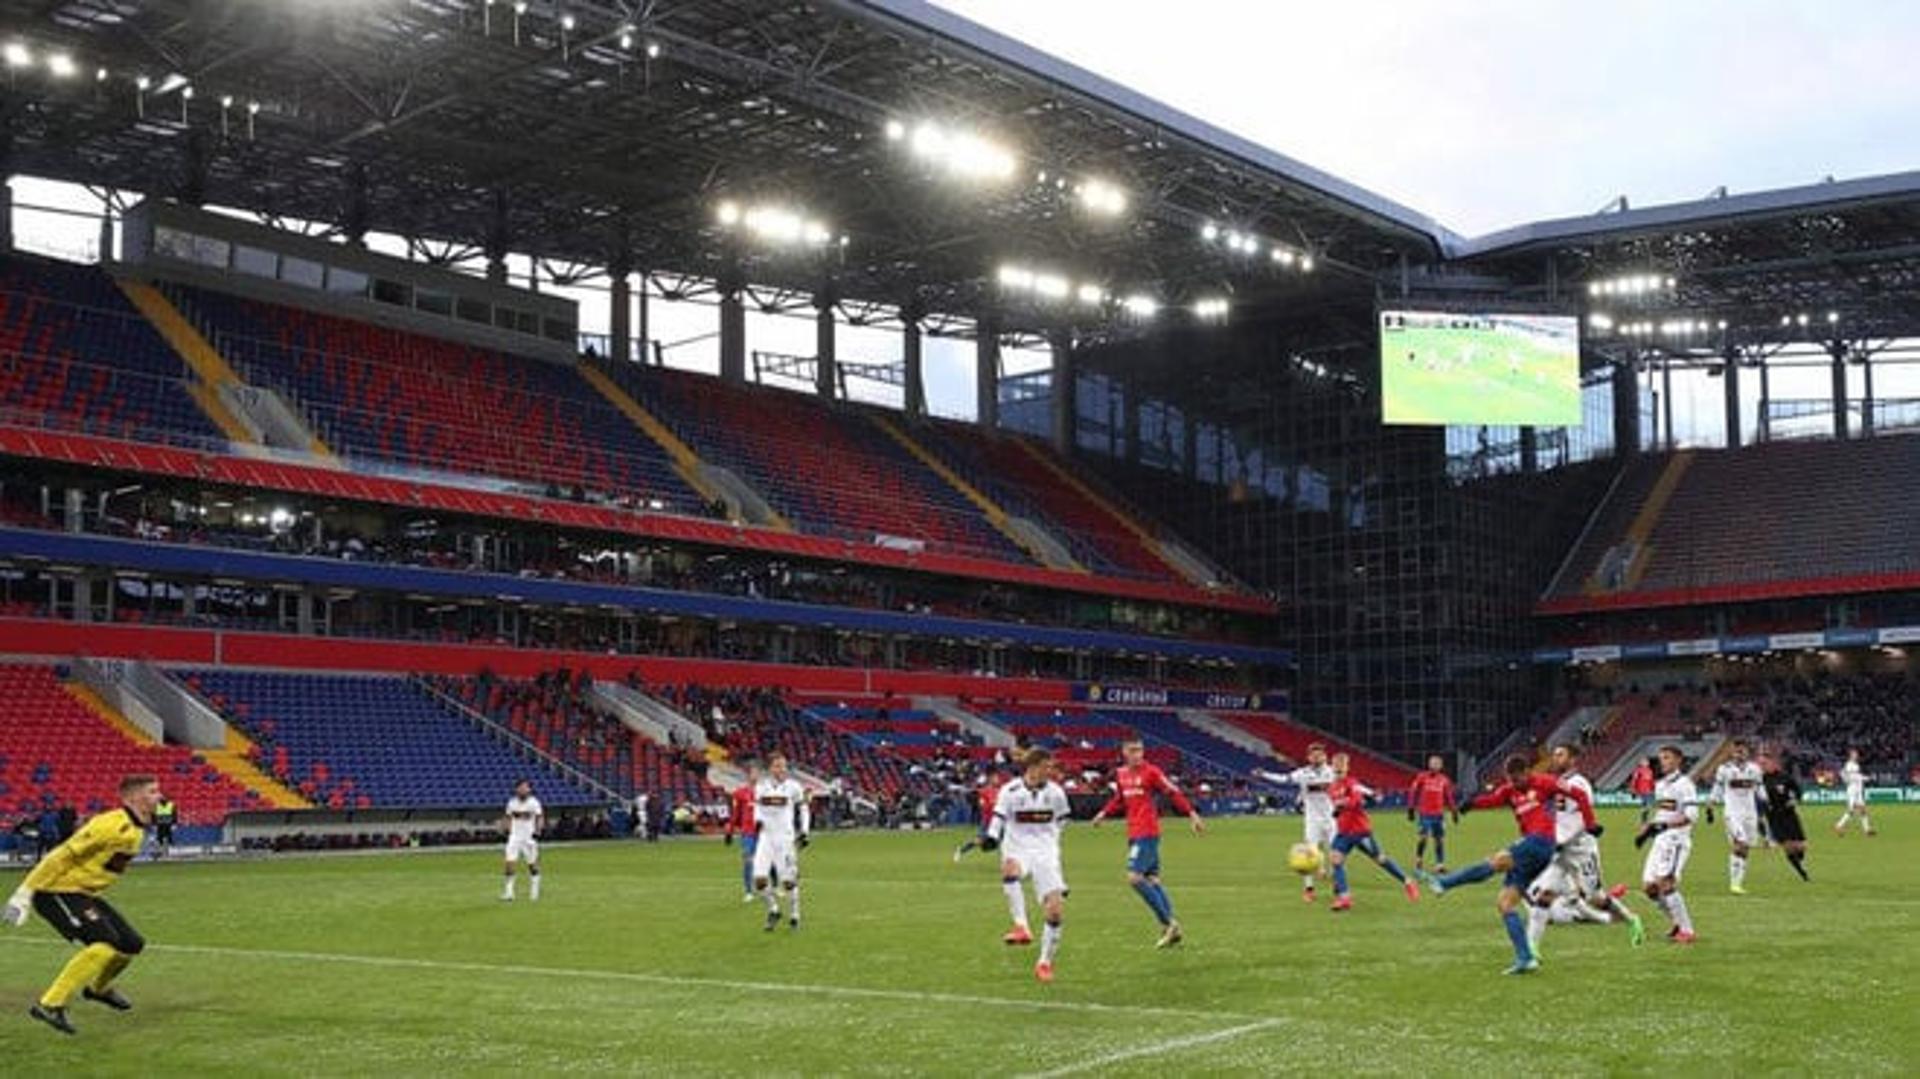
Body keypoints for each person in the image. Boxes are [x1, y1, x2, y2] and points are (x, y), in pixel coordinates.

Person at [3, 774, 163, 1036]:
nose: (160, 796)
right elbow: (61, 855)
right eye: (153, 791)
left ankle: (98, 989)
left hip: (84, 894)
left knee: (131, 945)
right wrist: (25, 893)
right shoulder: (110, 824)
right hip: (56, 891)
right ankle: (50, 1004)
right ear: (134, 797)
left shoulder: (137, 827)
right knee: (103, 945)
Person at [1420, 753, 1600, 974]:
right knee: (1505, 903)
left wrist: (1590, 823)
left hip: (1540, 841)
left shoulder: (1544, 782)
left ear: (1526, 772)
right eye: (1511, 780)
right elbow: (1493, 799)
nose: (1515, 784)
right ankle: (1525, 958)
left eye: (1518, 779)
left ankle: (1444, 883)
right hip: (1533, 853)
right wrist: (1471, 805)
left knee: (1496, 861)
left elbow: (1580, 794)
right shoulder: (1509, 790)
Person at [1524, 744, 1643, 953]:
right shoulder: (1556, 783)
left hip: (1581, 849)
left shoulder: (1580, 784)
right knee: (1544, 896)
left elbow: (1584, 820)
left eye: (1561, 754)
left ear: (1573, 759)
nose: (1555, 758)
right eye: (1555, 754)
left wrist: (1564, 839)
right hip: (1560, 850)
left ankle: (1632, 920)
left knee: (1595, 897)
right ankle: (1531, 950)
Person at [1089, 739, 1204, 948]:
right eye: (1132, 750)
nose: (1137, 754)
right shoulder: (1121, 773)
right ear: (1124, 752)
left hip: (1148, 831)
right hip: (1133, 832)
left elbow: (1173, 792)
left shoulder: (1152, 772)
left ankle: (1168, 924)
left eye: (1140, 750)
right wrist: (1103, 813)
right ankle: (1171, 929)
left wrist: (1192, 813)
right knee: (1152, 880)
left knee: (1134, 877)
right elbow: (1120, 798)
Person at [981, 748, 1071, 983]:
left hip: (1046, 853)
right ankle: (1021, 926)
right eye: (1047, 766)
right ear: (1033, 767)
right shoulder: (1009, 790)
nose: (1051, 771)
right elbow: (999, 817)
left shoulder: (1057, 793)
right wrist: (992, 836)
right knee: (1010, 869)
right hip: (1017, 848)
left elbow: (1062, 820)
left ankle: (1044, 962)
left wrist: (1049, 840)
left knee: (1055, 912)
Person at [1325, 752, 1419, 912]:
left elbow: (1356, 800)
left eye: (1342, 764)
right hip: (1343, 832)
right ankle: (1344, 897)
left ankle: (1408, 882)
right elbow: (1337, 806)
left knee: (1380, 859)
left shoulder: (1351, 783)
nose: (1339, 767)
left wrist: (1344, 804)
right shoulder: (1332, 787)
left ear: (1347, 767)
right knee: (1335, 860)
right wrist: (1337, 810)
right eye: (1336, 764)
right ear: (1332, 767)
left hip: (1360, 832)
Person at [1253, 742, 1335, 902]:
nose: (1317, 757)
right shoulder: (1303, 773)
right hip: (1312, 820)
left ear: (1325, 756)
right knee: (1309, 853)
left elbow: (1352, 785)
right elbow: (1284, 779)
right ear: (1309, 757)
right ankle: (1309, 889)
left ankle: (1337, 885)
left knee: (1336, 853)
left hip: (1332, 819)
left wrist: (1369, 793)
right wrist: (1264, 774)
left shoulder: (1332, 772)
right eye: (1314, 754)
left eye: (1320, 754)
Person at [1633, 745, 1698, 944]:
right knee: (1649, 888)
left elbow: (1692, 816)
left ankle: (1687, 931)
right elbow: (1663, 813)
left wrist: (1664, 825)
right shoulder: (1660, 785)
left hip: (1676, 840)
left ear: (1678, 760)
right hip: (1661, 841)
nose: (1663, 762)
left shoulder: (1685, 784)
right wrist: (1648, 828)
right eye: (1661, 758)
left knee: (1666, 883)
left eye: (1667, 758)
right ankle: (1676, 923)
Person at [752, 752, 810, 932]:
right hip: (766, 838)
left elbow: (804, 808)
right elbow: (757, 808)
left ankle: (795, 915)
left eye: (783, 766)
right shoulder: (761, 787)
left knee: (787, 882)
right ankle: (773, 910)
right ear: (770, 768)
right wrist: (757, 821)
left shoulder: (794, 787)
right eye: (777, 766)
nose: (781, 769)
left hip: (785, 839)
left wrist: (805, 831)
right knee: (759, 879)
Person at [1708, 739, 1764, 894]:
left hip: (1750, 813)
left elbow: (1759, 788)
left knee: (1746, 848)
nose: (1740, 753)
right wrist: (1712, 801)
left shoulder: (1754, 769)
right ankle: (1734, 884)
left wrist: (1767, 802)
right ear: (1732, 752)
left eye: (1742, 750)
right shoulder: (1724, 769)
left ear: (1747, 752)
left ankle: (1738, 883)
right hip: (1732, 813)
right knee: (1740, 843)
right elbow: (1718, 787)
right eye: (1737, 751)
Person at [1759, 751, 1811, 881]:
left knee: (1801, 846)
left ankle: (1799, 862)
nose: (1763, 766)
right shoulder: (1760, 780)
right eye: (1761, 764)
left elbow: (1798, 791)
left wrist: (1796, 799)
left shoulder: (1784, 777)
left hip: (1789, 813)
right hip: (1774, 816)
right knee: (1788, 846)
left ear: (1773, 762)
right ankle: (1801, 872)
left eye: (1765, 763)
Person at [1406, 755, 1459, 871]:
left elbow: (1449, 797)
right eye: (1433, 763)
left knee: (1439, 839)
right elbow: (1413, 792)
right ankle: (1418, 859)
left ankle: (1440, 864)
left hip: (1439, 815)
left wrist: (1454, 811)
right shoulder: (1422, 777)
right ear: (1429, 764)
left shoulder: (1444, 780)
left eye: (1437, 764)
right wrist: (1411, 808)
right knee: (1423, 838)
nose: (1435, 766)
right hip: (1425, 814)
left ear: (1441, 766)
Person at [500, 779, 544, 902]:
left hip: (528, 838)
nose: (523, 789)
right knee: (509, 863)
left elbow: (540, 817)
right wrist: (507, 830)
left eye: (525, 787)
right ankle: (509, 893)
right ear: (516, 789)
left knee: (532, 865)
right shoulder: (512, 803)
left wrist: (538, 831)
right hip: (514, 837)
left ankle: (535, 890)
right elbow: (508, 817)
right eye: (520, 787)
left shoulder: (534, 803)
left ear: (529, 789)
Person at [725, 763, 760, 902]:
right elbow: (735, 814)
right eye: (753, 773)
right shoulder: (740, 793)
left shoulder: (765, 792)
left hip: (763, 832)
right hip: (748, 832)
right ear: (748, 776)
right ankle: (748, 891)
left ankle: (773, 886)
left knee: (767, 861)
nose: (755, 776)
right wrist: (730, 831)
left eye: (757, 773)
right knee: (747, 860)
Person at [1833, 748, 1875, 837]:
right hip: (1852, 789)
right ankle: (1838, 825)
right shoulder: (1849, 765)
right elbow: (1852, 777)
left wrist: (1866, 778)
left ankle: (1867, 830)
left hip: (1858, 790)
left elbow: (1855, 775)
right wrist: (1866, 778)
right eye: (1854, 754)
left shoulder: (1856, 765)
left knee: (1863, 810)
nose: (1856, 755)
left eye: (1856, 754)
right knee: (1851, 810)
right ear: (1850, 755)